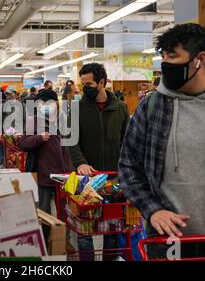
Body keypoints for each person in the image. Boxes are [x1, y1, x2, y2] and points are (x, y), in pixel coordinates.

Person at [119, 23, 205, 260]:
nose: (165, 64)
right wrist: (153, 210)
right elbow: (128, 167)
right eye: (163, 56)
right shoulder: (151, 107)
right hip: (167, 241)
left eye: (173, 56)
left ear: (200, 59)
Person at [67, 62, 130, 260]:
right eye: (83, 84)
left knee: (111, 229)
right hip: (85, 180)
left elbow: (127, 141)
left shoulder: (120, 108)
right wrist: (80, 163)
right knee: (85, 231)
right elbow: (71, 140)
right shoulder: (77, 108)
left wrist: (126, 168)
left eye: (89, 84)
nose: (85, 88)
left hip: (113, 179)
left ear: (102, 82)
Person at [18, 89, 72, 214]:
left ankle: (64, 234)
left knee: (66, 212)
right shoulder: (34, 121)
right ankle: (46, 233)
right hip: (44, 175)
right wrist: (39, 138)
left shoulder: (64, 120)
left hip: (63, 175)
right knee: (44, 211)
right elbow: (23, 143)